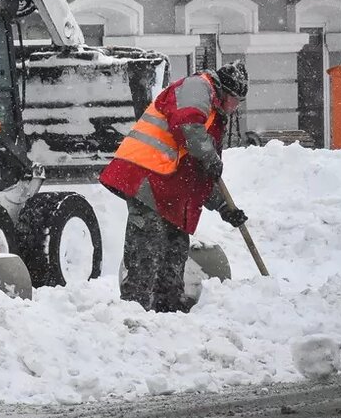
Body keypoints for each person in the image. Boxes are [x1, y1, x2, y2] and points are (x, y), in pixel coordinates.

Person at [100, 60, 250, 313]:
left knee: (175, 250)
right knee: (147, 249)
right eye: (237, 102)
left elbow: (202, 175)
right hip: (147, 177)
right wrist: (210, 157)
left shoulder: (214, 118)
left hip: (169, 190)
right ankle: (134, 313)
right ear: (228, 92)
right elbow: (187, 125)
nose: (236, 109)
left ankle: (167, 312)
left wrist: (225, 208)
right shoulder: (198, 87)